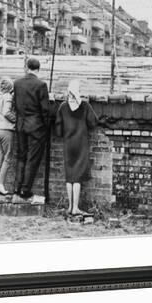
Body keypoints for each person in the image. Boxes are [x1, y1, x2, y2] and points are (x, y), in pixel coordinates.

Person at [55, 79, 98, 215]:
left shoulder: (62, 106)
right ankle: (75, 208)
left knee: (69, 175)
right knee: (77, 176)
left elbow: (58, 129)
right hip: (81, 143)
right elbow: (93, 122)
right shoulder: (84, 106)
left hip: (68, 143)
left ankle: (69, 207)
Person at [12, 57, 51, 202]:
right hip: (36, 127)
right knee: (32, 159)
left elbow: (15, 105)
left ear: (27, 67)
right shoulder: (41, 85)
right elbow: (45, 110)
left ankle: (16, 187)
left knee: (21, 156)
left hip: (21, 125)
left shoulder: (17, 83)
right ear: (38, 69)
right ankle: (25, 190)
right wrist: (46, 127)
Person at [0, 77, 16, 195]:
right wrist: (16, 120)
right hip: (6, 130)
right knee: (8, 157)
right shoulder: (8, 97)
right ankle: (1, 184)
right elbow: (7, 112)